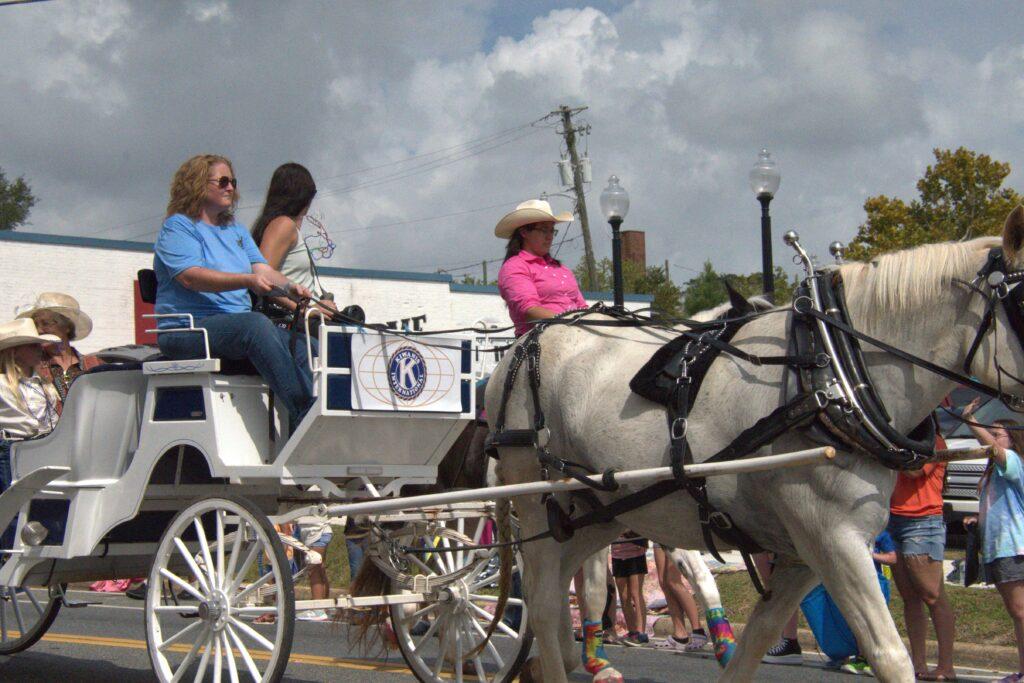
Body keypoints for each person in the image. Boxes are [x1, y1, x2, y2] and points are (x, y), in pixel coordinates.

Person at [153, 154, 315, 430]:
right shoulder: (178, 226)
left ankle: (297, 435)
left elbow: (263, 269)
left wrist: (290, 287)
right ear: (197, 184)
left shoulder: (235, 230)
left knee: (302, 345)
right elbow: (191, 277)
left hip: (232, 327)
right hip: (189, 330)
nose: (231, 188)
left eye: (233, 182)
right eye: (223, 181)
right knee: (255, 325)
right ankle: (306, 415)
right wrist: (246, 281)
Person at [962, 398, 1024, 683]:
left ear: (1013, 440)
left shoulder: (1014, 462)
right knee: (1017, 612)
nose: (991, 438)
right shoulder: (995, 472)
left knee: (1020, 611)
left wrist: (971, 420)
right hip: (1000, 548)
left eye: (997, 433)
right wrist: (978, 520)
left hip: (1014, 546)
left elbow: (996, 450)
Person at [888, 429, 956, 681]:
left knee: (932, 594)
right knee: (909, 597)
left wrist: (885, 450)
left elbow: (915, 470)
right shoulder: (898, 439)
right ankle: (918, 663)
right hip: (894, 518)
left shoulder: (934, 440)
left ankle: (946, 666)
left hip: (923, 520)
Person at [251, 163, 336, 325]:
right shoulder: (283, 225)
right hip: (294, 321)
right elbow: (263, 280)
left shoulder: (285, 227)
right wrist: (306, 310)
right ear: (303, 195)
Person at [0, 318, 60, 550]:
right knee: (12, 507)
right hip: (10, 447)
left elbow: (50, 418)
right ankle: (8, 554)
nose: (40, 350)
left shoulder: (41, 384)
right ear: (15, 352)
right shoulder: (3, 384)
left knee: (37, 505)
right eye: (32, 346)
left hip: (40, 446)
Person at [495, 199, 587, 337]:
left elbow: (582, 306)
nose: (549, 237)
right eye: (544, 230)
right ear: (524, 232)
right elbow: (530, 311)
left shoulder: (562, 269)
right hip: (538, 340)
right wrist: (572, 323)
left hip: (577, 334)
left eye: (552, 231)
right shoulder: (514, 267)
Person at [17, 292, 101, 410]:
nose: (40, 330)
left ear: (66, 327)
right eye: (36, 325)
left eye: (46, 324)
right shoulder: (31, 366)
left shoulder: (93, 364)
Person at [651, 544, 708, 653]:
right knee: (664, 583)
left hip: (674, 535)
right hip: (658, 533)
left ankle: (698, 631)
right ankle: (680, 634)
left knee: (673, 580)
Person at [611, 531, 649, 646]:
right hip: (617, 554)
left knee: (635, 593)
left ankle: (641, 632)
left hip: (635, 553)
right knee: (624, 596)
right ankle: (632, 631)